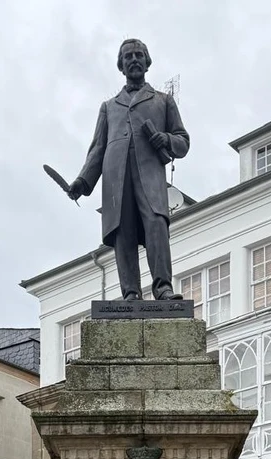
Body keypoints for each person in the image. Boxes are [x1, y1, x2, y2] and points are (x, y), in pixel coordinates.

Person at [68, 39, 190, 301]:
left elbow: (183, 142)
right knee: (123, 231)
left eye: (138, 55)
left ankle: (163, 288)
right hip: (117, 179)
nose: (133, 60)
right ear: (121, 66)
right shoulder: (109, 107)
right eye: (128, 57)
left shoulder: (163, 101)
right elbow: (98, 149)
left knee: (156, 225)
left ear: (147, 62)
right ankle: (130, 293)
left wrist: (165, 139)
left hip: (150, 177)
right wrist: (82, 181)